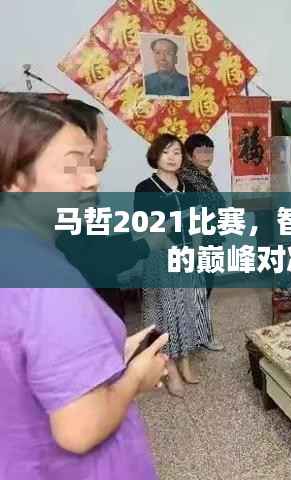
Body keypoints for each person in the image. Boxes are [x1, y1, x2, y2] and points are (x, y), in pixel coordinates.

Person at [0, 94, 168, 479]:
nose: (92, 178)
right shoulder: (47, 278)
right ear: (13, 177)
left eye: (89, 161)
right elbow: (80, 429)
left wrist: (110, 353)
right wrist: (135, 378)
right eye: (72, 165)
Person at [56, 99, 164, 320]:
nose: (109, 146)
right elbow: (88, 260)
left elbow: (93, 245)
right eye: (104, 137)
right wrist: (145, 245)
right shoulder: (67, 191)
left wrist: (136, 236)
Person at [135, 133, 213, 398]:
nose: (172, 157)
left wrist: (197, 250)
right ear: (155, 156)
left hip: (188, 256)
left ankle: (186, 360)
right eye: (166, 152)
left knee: (189, 310)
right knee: (166, 314)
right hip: (161, 259)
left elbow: (197, 223)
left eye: (177, 152)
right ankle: (169, 367)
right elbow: (146, 227)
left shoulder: (188, 186)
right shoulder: (145, 188)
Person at [182, 133, 225, 351]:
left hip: (212, 239)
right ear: (190, 155)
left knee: (203, 289)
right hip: (198, 243)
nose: (207, 155)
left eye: (210, 150)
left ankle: (196, 335)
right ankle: (199, 336)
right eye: (201, 151)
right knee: (198, 290)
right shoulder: (187, 179)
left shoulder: (204, 175)